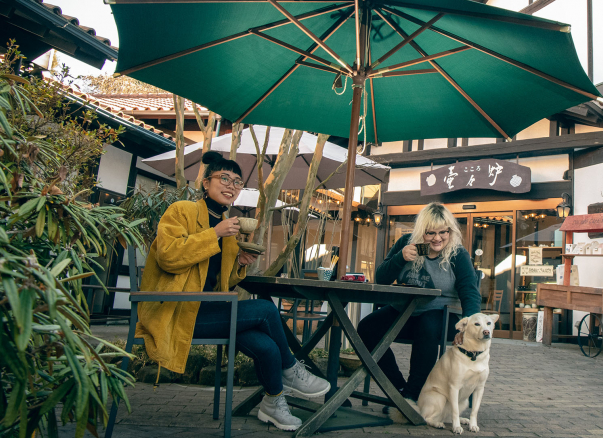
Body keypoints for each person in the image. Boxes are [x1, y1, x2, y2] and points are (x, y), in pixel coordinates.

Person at [135, 151, 329, 432]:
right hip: (174, 310)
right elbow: (168, 256)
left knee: (266, 345)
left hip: (206, 309)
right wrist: (214, 234)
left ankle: (273, 402)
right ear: (205, 182)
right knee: (264, 309)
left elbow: (219, 282)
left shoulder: (229, 228)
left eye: (237, 182)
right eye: (223, 178)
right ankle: (291, 369)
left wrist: (238, 262)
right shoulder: (182, 211)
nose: (231, 186)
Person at [357, 202, 481, 403]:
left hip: (441, 316)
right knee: (366, 328)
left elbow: (470, 291)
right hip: (404, 311)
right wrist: (400, 258)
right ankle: (396, 387)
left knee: (428, 324)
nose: (437, 238)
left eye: (443, 232)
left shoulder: (457, 254)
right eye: (430, 233)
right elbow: (381, 279)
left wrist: (469, 326)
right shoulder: (407, 243)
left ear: (450, 231)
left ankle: (413, 394)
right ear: (421, 231)